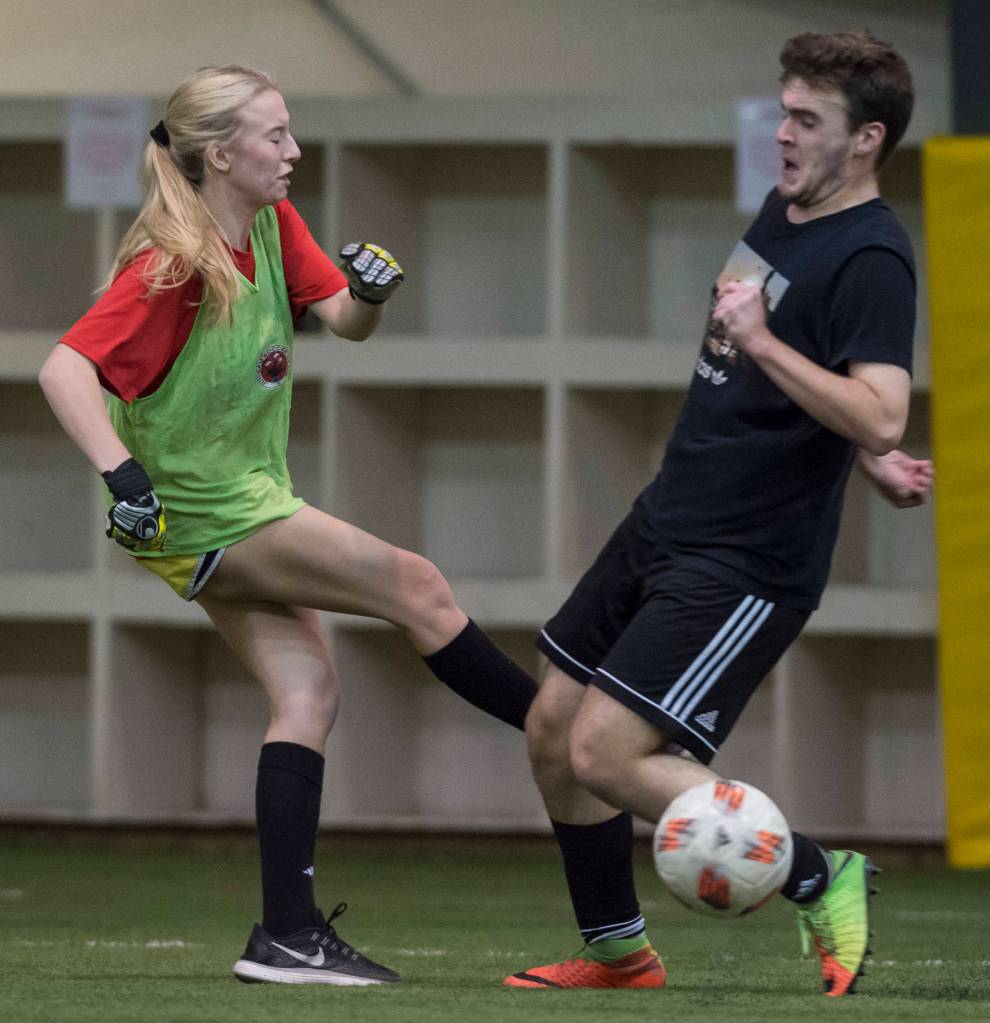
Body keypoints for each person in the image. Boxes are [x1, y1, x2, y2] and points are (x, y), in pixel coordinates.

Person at [38, 65, 537, 987]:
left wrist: (370, 294)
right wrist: (123, 475)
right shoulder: (170, 265)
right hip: (205, 512)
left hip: (240, 501)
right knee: (418, 585)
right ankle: (565, 736)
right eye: (275, 135)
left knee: (307, 694)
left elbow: (343, 320)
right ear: (222, 155)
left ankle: (288, 936)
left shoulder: (269, 223)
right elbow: (63, 370)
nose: (294, 149)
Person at [503, 31, 933, 997]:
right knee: (551, 725)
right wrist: (871, 461)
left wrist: (778, 353)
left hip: (746, 559)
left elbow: (882, 407)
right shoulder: (787, 208)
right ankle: (620, 954)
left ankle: (821, 873)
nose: (782, 133)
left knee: (604, 751)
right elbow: (846, 410)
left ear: (867, 138)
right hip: (669, 515)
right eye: (784, 111)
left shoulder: (874, 256)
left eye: (807, 120)